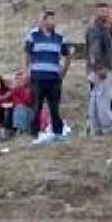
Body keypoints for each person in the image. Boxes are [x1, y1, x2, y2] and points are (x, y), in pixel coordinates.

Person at [24, 10, 71, 144]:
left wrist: (64, 71)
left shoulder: (60, 37)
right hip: (37, 77)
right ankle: (34, 134)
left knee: (54, 108)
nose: (53, 22)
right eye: (51, 19)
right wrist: (26, 71)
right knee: (37, 107)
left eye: (54, 19)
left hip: (54, 78)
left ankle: (58, 134)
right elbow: (27, 54)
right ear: (44, 21)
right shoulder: (33, 35)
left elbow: (67, 55)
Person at [85, 2, 112, 136]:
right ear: (96, 13)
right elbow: (94, 51)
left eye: (106, 11)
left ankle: (95, 128)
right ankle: (107, 127)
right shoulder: (96, 30)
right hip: (101, 69)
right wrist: (100, 68)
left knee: (96, 97)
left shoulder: (102, 29)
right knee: (104, 97)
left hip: (96, 68)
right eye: (102, 11)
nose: (105, 14)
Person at [8, 69, 35, 135]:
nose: (19, 80)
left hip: (30, 112)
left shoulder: (30, 88)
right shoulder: (13, 89)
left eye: (21, 78)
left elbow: (28, 101)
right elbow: (5, 98)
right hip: (17, 113)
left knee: (20, 107)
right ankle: (12, 131)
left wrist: (19, 88)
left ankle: (21, 131)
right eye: (17, 78)